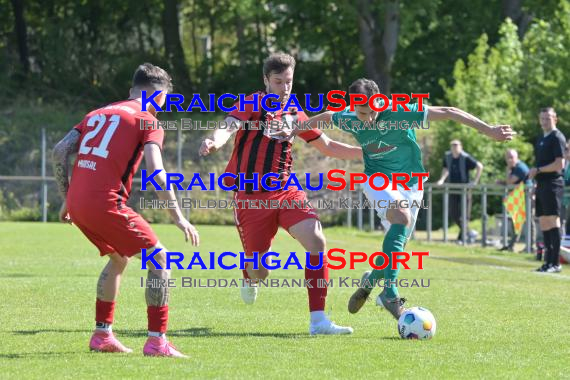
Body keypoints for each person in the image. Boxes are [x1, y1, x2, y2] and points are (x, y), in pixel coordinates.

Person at [291, 78, 514, 320]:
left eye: (369, 111)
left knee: (398, 246)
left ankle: (371, 280)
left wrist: (488, 130)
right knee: (401, 217)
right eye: (360, 112)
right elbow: (325, 116)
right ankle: (390, 293)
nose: (365, 118)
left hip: (412, 185)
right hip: (377, 180)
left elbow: (449, 112)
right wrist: (294, 129)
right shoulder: (351, 117)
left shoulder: (400, 111)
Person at [199, 52, 361, 335]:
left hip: (286, 190)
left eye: (288, 81)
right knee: (260, 271)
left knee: (317, 240)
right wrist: (215, 140)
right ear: (266, 81)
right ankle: (250, 276)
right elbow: (229, 125)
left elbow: (327, 146)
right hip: (251, 197)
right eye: (278, 82)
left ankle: (318, 321)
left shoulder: (295, 112)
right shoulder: (252, 102)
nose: (284, 88)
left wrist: (367, 154)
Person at [52, 63, 199, 357]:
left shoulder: (97, 113)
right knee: (160, 259)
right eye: (166, 98)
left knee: (118, 259)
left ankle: (102, 336)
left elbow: (60, 150)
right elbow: (157, 173)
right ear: (159, 96)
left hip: (80, 202)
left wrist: (67, 197)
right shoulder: (149, 121)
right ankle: (157, 342)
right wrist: (179, 218)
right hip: (104, 202)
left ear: (132, 91)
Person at [528, 107, 566, 273]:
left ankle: (555, 263)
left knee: (552, 220)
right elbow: (539, 166)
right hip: (542, 185)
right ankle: (547, 262)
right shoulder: (540, 139)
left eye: (548, 118)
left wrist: (539, 171)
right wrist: (535, 184)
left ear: (555, 119)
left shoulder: (557, 137)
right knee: (543, 221)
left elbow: (559, 164)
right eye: (542, 118)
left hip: (553, 184)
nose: (544, 121)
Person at [436, 140, 483, 244]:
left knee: (464, 215)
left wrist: (475, 182)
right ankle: (470, 233)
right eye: (452, 145)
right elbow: (445, 169)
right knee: (454, 214)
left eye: (456, 145)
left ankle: (462, 238)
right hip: (453, 189)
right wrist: (442, 180)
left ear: (461, 147)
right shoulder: (448, 157)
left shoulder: (466, 157)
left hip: (465, 191)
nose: (454, 147)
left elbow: (479, 166)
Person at [498, 149, 533, 251]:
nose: (509, 160)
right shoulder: (515, 167)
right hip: (519, 197)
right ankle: (511, 245)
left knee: (529, 221)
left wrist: (507, 170)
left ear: (516, 157)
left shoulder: (519, 167)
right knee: (516, 221)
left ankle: (530, 246)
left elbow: (510, 181)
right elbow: (510, 182)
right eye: (507, 158)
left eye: (511, 157)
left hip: (527, 196)